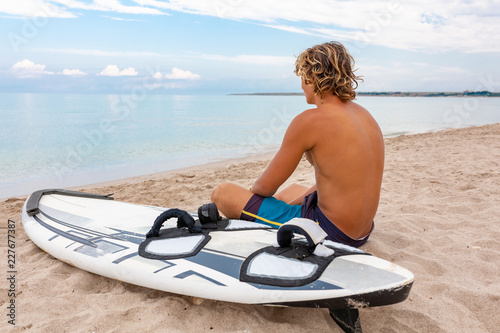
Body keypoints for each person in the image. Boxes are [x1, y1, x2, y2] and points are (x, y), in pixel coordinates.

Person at [210, 41, 384, 247]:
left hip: (328, 232)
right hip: (361, 232)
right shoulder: (365, 116)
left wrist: (249, 196)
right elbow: (342, 179)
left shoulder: (309, 120)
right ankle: (272, 214)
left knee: (223, 192)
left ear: (312, 78)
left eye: (303, 77)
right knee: (292, 190)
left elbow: (264, 187)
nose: (302, 85)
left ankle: (263, 219)